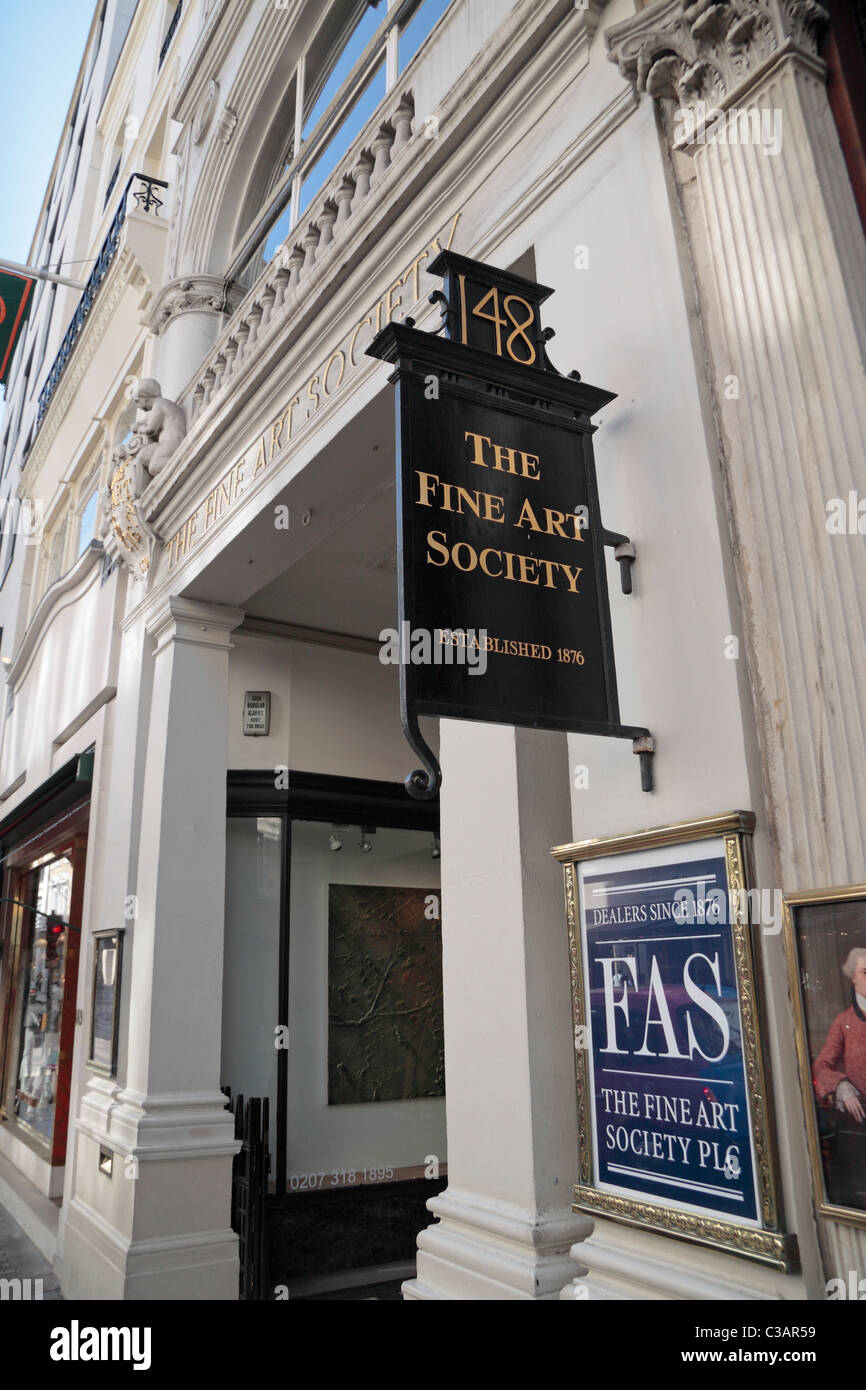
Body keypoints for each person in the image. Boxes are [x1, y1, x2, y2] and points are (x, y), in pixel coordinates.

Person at [813, 946, 866, 1208]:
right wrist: (842, 1085)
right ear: (853, 977)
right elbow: (821, 1066)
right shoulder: (843, 1022)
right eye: (865, 972)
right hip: (858, 1126)